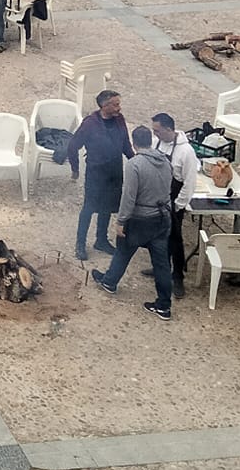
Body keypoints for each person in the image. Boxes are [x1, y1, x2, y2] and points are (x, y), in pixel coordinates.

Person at [91, 125, 175, 321]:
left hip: (141, 219)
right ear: (150, 141)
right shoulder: (165, 161)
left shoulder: (134, 164)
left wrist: (121, 221)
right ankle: (164, 305)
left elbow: (128, 197)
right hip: (162, 217)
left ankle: (110, 281)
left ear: (134, 143)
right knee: (162, 264)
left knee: (123, 250)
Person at [69, 89, 132, 261]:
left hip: (115, 171)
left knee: (107, 207)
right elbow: (73, 145)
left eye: (119, 104)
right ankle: (80, 243)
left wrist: (135, 162)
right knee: (88, 208)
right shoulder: (90, 124)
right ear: (105, 106)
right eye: (116, 104)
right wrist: (75, 169)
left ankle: (101, 240)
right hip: (96, 173)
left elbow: (126, 144)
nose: (119, 108)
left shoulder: (119, 120)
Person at [153, 112, 200, 298]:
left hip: (173, 201)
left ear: (168, 129)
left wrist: (178, 205)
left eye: (157, 130)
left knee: (174, 240)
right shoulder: (157, 142)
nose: (155, 134)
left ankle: (178, 276)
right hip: (158, 197)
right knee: (158, 236)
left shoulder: (186, 151)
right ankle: (161, 267)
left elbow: (190, 182)